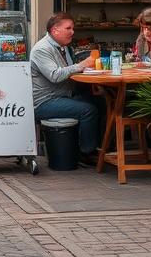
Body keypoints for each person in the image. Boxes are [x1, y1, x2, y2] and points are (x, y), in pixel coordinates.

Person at [30, 12, 99, 159]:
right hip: (44, 103)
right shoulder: (41, 49)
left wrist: (84, 69)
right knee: (88, 110)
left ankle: (102, 147)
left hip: (62, 96)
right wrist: (80, 65)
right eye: (68, 28)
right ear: (55, 30)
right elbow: (55, 75)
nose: (72, 32)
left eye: (72, 28)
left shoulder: (63, 46)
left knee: (101, 102)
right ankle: (86, 153)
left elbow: (68, 71)